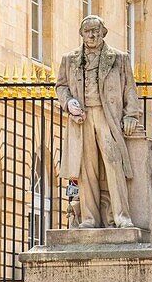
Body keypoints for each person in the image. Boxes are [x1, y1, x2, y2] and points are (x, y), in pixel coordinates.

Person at [55, 15, 142, 228]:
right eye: (87, 31)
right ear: (82, 34)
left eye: (95, 30)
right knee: (87, 168)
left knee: (114, 163)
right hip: (82, 119)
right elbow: (61, 87)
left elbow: (130, 89)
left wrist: (131, 115)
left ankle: (122, 216)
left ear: (103, 32)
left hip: (107, 116)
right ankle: (89, 218)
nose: (92, 35)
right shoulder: (70, 59)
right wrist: (68, 103)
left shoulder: (119, 59)